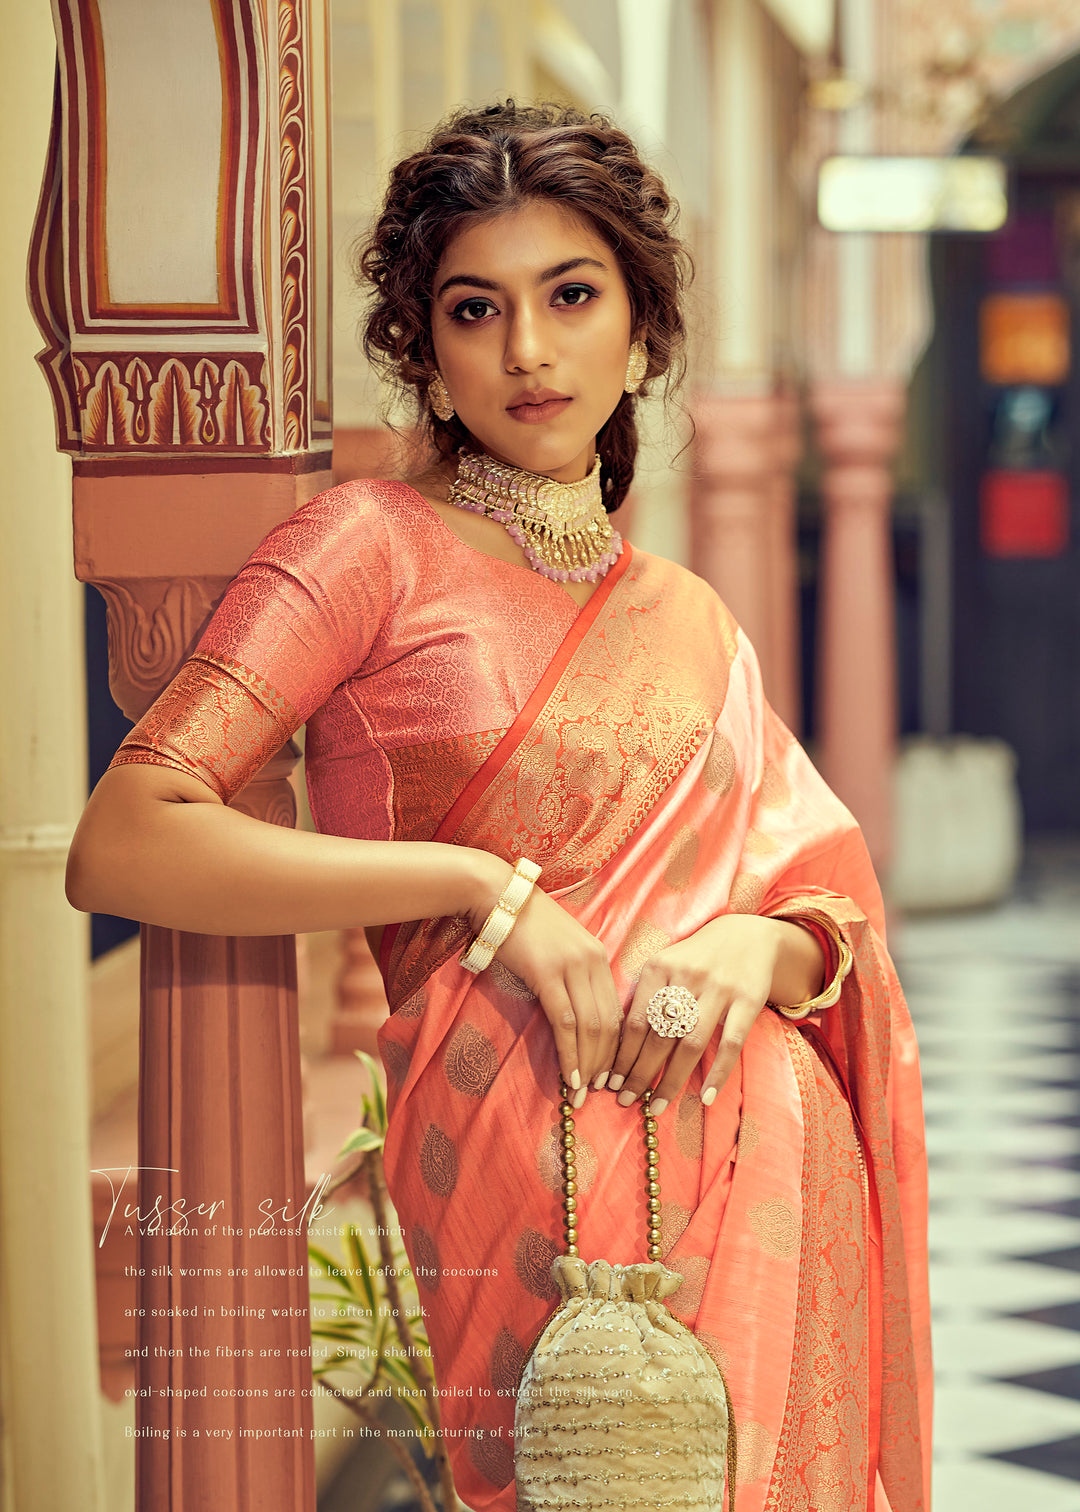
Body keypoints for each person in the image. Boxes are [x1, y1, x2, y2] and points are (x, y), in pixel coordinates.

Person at [67, 101, 932, 1512]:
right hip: (518, 1168)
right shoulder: (367, 549)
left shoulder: (691, 618)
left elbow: (820, 902)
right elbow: (127, 836)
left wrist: (752, 952)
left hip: (765, 1156)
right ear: (428, 353)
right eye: (477, 310)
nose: (528, 350)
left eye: (571, 296)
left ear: (641, 333)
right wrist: (479, 891)